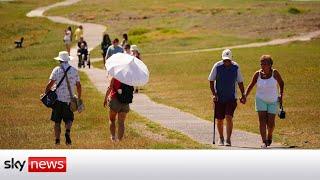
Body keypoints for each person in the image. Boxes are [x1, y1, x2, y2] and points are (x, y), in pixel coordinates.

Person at [244, 55, 284, 148]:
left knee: (271, 123)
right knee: (262, 121)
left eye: (265, 64)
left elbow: (281, 83)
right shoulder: (257, 74)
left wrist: (281, 95)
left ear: (270, 65)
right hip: (260, 100)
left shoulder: (275, 73)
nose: (263, 66)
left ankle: (269, 135)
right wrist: (245, 96)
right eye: (261, 64)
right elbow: (251, 85)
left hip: (273, 101)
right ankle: (264, 141)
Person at [208, 49, 245, 146]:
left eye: (228, 60)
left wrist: (243, 94)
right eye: (225, 60)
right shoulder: (217, 66)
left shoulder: (236, 67)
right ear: (222, 58)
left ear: (231, 59)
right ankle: (221, 137)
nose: (226, 62)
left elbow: (240, 82)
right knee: (219, 119)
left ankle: (228, 139)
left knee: (229, 117)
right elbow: (211, 81)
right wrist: (214, 94)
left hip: (231, 98)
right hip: (219, 98)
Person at [44, 51, 81, 145]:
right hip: (69, 100)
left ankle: (57, 141)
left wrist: (45, 93)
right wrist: (79, 98)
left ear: (60, 60)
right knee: (69, 119)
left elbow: (50, 84)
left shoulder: (56, 70)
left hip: (57, 101)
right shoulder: (74, 70)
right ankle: (67, 131)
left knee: (57, 122)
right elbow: (79, 85)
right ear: (67, 60)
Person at [103, 77, 130, 142]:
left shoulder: (115, 77)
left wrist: (105, 99)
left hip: (115, 100)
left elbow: (110, 88)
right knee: (121, 122)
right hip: (125, 102)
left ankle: (113, 137)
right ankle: (120, 140)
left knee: (112, 120)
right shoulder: (128, 78)